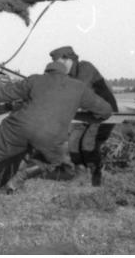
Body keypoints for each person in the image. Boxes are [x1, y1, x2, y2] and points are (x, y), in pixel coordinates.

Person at [0, 60, 113, 193]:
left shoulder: (35, 80)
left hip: (19, 127)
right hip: (51, 135)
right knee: (51, 159)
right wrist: (88, 117)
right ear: (65, 73)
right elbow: (105, 111)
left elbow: (2, 93)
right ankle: (15, 182)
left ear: (47, 71)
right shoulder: (78, 87)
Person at [49, 45, 118, 186]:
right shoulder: (67, 75)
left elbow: (79, 90)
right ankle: (81, 174)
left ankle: (96, 176)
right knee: (73, 142)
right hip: (85, 114)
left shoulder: (85, 68)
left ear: (68, 59)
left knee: (88, 143)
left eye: (60, 64)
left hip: (103, 113)